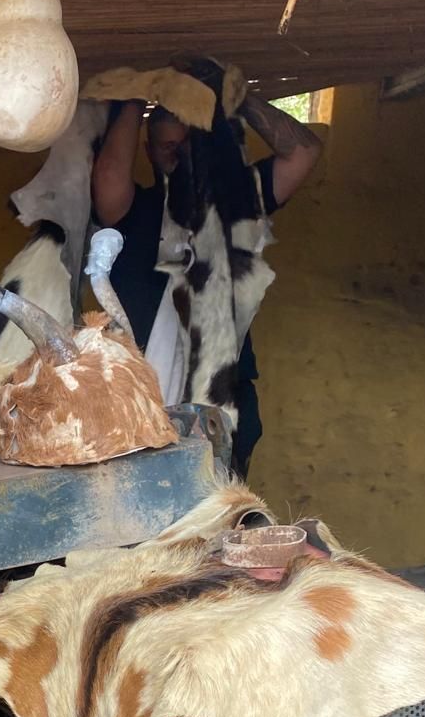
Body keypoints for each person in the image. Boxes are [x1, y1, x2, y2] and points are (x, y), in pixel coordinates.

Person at [91, 91, 323, 476]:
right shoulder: (133, 210)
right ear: (149, 152)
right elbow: (109, 175)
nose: (181, 156)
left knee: (217, 519)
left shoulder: (240, 206)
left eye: (190, 145)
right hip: (133, 408)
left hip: (222, 409)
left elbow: (303, 152)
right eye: (169, 146)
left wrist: (236, 94)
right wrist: (136, 96)